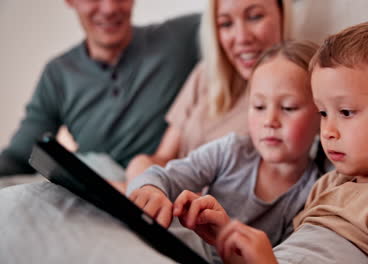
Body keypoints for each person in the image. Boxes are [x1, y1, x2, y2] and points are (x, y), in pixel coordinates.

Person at [214, 18, 368, 264]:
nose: (328, 131)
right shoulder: (328, 185)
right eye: (323, 113)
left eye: (346, 112)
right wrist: (226, 239)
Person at [126, 40, 321, 263]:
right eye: (258, 107)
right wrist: (151, 189)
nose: (269, 121)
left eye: (288, 107)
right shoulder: (231, 150)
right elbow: (164, 176)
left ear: (321, 115)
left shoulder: (313, 195)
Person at [0, 0, 199, 177]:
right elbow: (21, 155)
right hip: (99, 194)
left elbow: (228, 16)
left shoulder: (180, 39)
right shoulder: (58, 75)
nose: (109, 8)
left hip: (164, 189)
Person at [124, 0, 293, 182]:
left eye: (255, 17)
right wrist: (142, 168)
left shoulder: (300, 90)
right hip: (166, 193)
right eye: (226, 24)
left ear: (282, 15)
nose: (242, 37)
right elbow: (164, 157)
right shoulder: (206, 74)